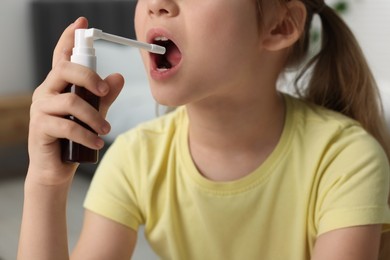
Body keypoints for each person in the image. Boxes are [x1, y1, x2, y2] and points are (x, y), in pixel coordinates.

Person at [18, 0, 390, 259]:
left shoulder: (345, 159)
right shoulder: (135, 159)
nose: (156, 4)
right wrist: (45, 183)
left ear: (280, 25)